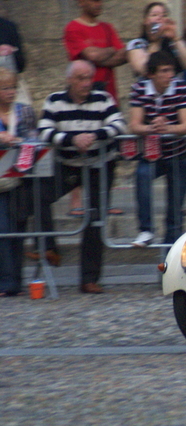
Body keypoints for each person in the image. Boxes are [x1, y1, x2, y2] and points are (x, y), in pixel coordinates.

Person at [38, 60, 128, 294]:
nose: (86, 83)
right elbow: (44, 130)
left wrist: (93, 136)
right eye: (80, 78)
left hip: (101, 164)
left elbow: (119, 125)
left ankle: (89, 278)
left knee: (96, 219)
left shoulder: (103, 98)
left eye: (89, 77)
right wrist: (72, 139)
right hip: (67, 164)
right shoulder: (54, 100)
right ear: (69, 79)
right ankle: (49, 246)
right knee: (37, 196)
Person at [128, 51, 186, 247]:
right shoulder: (139, 88)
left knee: (175, 208)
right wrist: (151, 128)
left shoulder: (180, 87)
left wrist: (167, 128)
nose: (169, 75)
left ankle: (170, 255)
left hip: (178, 154)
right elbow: (134, 124)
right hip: (151, 153)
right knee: (142, 176)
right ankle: (146, 229)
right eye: (164, 71)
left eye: (171, 70)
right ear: (151, 74)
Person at [0, 68, 36, 296]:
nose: (11, 92)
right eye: (5, 88)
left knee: (17, 228)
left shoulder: (23, 112)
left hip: (18, 178)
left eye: (13, 87)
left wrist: (19, 140)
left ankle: (15, 280)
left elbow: (35, 138)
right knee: (2, 229)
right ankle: (5, 280)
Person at [63, 0, 127, 102]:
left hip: (109, 94)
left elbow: (123, 55)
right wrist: (111, 49)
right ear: (81, 2)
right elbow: (92, 55)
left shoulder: (107, 27)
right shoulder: (73, 28)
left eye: (99, 0)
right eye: (94, 0)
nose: (99, 4)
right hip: (83, 94)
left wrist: (96, 60)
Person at [126, 2, 186, 79]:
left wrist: (175, 38)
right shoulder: (136, 43)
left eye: (164, 15)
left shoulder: (172, 44)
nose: (160, 18)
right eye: (154, 15)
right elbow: (143, 69)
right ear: (145, 21)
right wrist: (155, 42)